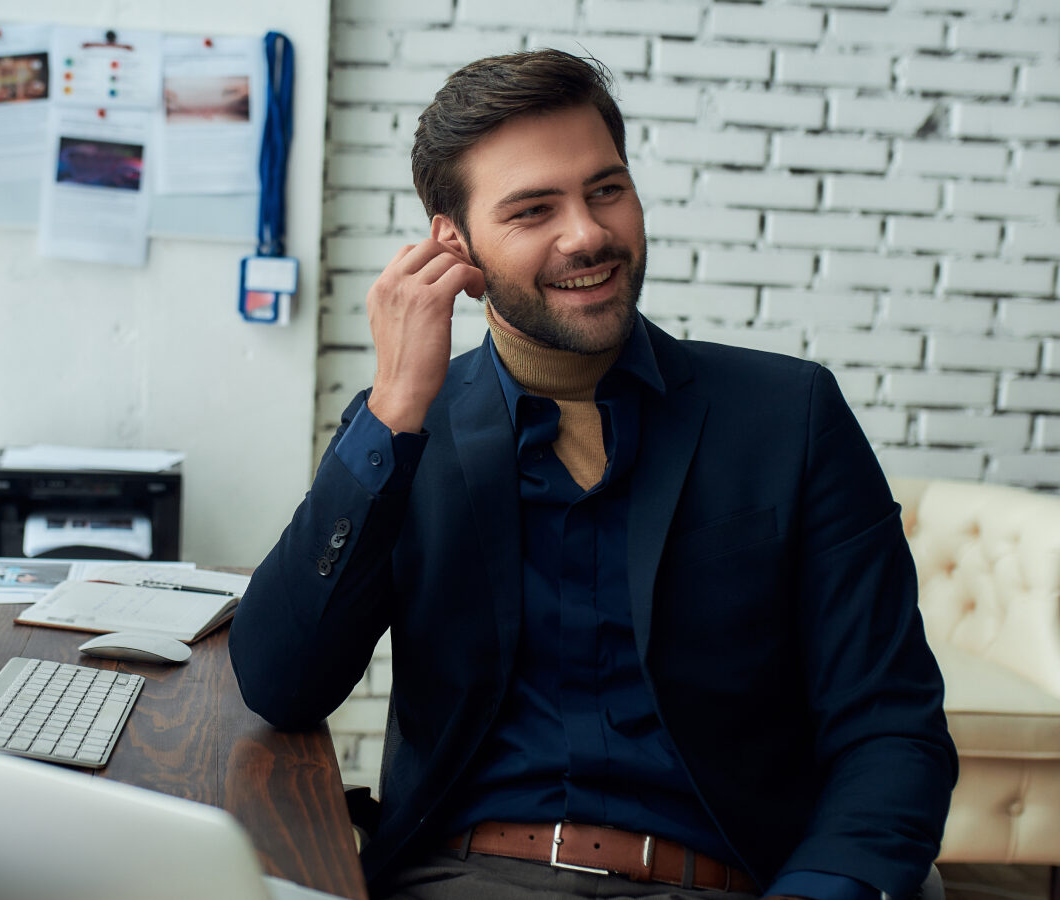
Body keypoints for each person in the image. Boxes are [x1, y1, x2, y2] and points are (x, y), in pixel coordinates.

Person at [229, 49, 955, 900]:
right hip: (466, 877)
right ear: (454, 244)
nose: (588, 233)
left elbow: (890, 726)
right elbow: (281, 682)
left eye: (606, 189)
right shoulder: (401, 432)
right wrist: (394, 408)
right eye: (534, 209)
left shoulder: (789, 416)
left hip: (724, 881)